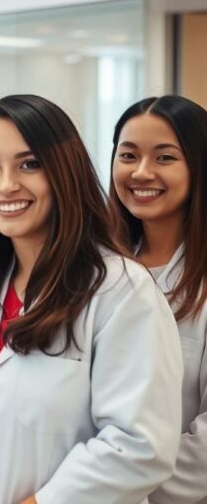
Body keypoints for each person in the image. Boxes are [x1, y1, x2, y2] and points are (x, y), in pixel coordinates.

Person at [0, 94, 183, 504]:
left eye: (29, 164)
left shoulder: (122, 293)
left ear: (63, 172)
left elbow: (138, 445)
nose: (6, 184)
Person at [108, 95, 207, 504]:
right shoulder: (95, 269)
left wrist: (109, 484)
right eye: (128, 155)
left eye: (165, 158)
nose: (141, 172)